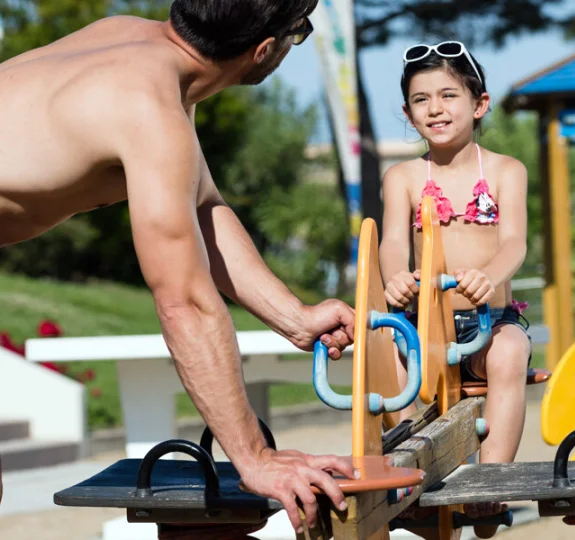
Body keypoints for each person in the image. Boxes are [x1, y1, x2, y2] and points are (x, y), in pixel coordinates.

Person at [0, 0, 358, 534]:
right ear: (264, 50)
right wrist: (253, 458)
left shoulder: (135, 45)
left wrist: (294, 317)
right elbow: (184, 302)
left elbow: (203, 208)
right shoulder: (149, 109)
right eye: (297, 33)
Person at [379, 41, 532, 539]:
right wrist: (394, 276)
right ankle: (415, 477)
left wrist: (490, 271)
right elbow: (391, 243)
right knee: (390, 355)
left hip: (488, 323)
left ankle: (490, 482)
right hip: (428, 325)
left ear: (479, 104)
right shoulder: (402, 177)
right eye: (421, 100)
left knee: (513, 350)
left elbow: (514, 242)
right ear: (408, 113)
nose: (436, 108)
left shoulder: (507, 171)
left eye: (448, 95)